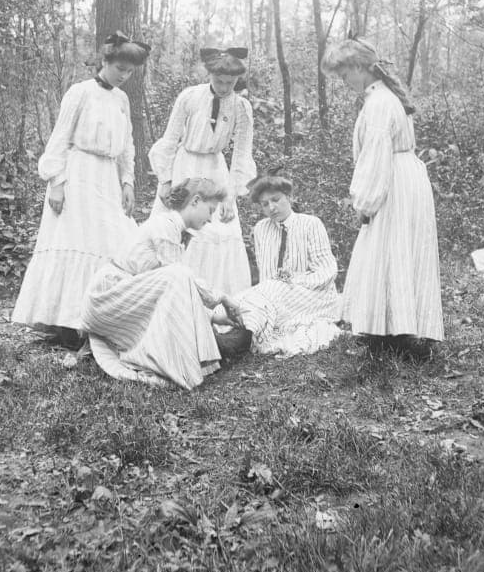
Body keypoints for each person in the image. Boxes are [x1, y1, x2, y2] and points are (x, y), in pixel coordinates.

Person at [11, 31, 150, 345]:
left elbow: (127, 145)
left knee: (114, 239)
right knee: (76, 240)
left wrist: (127, 181)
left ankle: (101, 318)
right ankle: (66, 323)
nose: (124, 76)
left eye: (129, 72)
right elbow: (59, 139)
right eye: (119, 69)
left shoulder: (122, 99)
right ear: (104, 61)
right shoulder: (80, 92)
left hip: (107, 178)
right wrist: (56, 183)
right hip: (78, 174)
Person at [321, 36, 443, 343]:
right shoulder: (383, 98)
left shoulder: (379, 103)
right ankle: (392, 329)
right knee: (393, 252)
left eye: (345, 74)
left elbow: (374, 157)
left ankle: (397, 333)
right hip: (404, 177)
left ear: (361, 68)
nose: (344, 81)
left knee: (393, 250)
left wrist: (364, 203)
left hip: (393, 181)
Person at [81, 178, 243, 389]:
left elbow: (181, 293)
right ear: (195, 201)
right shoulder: (165, 225)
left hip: (125, 299)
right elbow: (180, 276)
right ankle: (171, 364)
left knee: (178, 277)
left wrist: (217, 316)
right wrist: (220, 297)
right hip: (107, 298)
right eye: (210, 210)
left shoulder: (174, 229)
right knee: (177, 274)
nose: (211, 219)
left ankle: (181, 356)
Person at [148, 47, 256, 293]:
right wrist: (165, 180)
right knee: (178, 225)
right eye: (220, 81)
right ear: (210, 75)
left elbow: (241, 154)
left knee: (221, 226)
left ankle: (216, 303)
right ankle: (174, 295)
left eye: (231, 82)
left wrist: (230, 194)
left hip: (216, 170)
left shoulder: (241, 107)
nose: (225, 86)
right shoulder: (190, 97)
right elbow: (170, 139)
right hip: (185, 166)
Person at [213, 174, 343, 358]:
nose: (271, 207)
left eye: (276, 200)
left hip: (314, 293)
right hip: (276, 294)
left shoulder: (311, 223)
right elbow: (267, 275)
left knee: (269, 290)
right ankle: (215, 337)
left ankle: (240, 341)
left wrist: (294, 280)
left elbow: (327, 271)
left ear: (289, 197)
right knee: (238, 298)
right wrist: (277, 286)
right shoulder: (261, 229)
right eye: (265, 204)